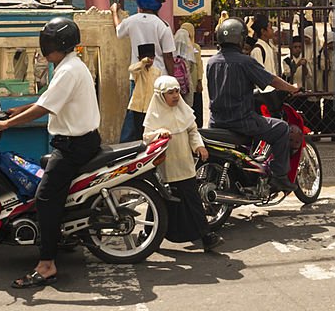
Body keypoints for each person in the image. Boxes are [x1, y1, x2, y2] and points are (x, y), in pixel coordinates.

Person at [0, 17, 101, 289]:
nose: (44, 48)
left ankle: (47, 265)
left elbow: (43, 109)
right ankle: (62, 235)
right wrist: (15, 109)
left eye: (47, 43)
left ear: (57, 44)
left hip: (74, 146)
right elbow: (47, 99)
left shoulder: (69, 70)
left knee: (45, 198)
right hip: (77, 142)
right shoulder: (68, 66)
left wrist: (6, 123)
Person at [207, 18, 301, 192]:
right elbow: (271, 80)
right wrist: (291, 88)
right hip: (242, 121)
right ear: (241, 39)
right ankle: (279, 177)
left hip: (216, 121)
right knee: (280, 128)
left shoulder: (211, 62)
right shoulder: (245, 61)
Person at [143, 75, 222, 251]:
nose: (175, 96)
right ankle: (148, 235)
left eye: (177, 91)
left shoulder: (183, 110)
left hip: (185, 165)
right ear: (160, 95)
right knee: (160, 200)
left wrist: (199, 146)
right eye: (170, 92)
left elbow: (192, 131)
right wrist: (159, 133)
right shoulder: (154, 115)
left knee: (193, 201)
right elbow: (146, 137)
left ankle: (206, 236)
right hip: (166, 167)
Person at [113, 0, 176, 142]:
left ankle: (126, 146)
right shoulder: (162, 26)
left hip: (137, 76)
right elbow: (168, 56)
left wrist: (114, 11)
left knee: (135, 112)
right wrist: (173, 78)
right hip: (159, 78)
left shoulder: (131, 21)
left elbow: (119, 30)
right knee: (158, 115)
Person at [126, 54, 161, 141]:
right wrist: (143, 62)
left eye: (152, 59)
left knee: (148, 133)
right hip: (137, 107)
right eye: (148, 59)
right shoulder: (138, 71)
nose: (150, 61)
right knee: (137, 133)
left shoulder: (157, 71)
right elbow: (131, 69)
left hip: (150, 107)